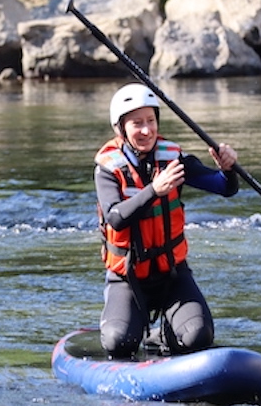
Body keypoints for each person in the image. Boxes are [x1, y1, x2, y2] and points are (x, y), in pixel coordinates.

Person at [94, 83, 239, 359]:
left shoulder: (173, 159)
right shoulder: (107, 170)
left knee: (198, 337)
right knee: (118, 344)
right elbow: (115, 217)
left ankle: (161, 337)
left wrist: (228, 169)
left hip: (171, 274)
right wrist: (154, 190)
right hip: (128, 277)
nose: (146, 130)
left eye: (151, 121)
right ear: (120, 129)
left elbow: (225, 188)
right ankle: (132, 328)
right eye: (137, 123)